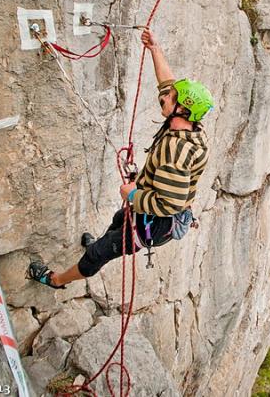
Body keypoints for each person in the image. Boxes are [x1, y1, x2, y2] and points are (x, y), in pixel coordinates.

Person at [27, 29, 214, 289]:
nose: (165, 97)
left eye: (171, 98)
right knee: (118, 220)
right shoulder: (189, 124)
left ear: (182, 109)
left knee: (98, 254)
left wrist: (132, 194)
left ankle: (56, 280)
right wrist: (155, 49)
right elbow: (168, 84)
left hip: (155, 221)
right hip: (146, 204)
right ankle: (103, 243)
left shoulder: (176, 153)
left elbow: (170, 204)